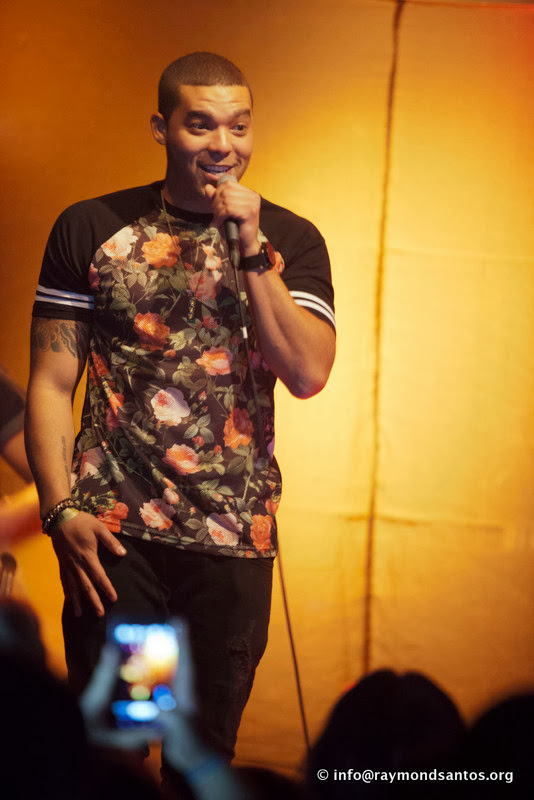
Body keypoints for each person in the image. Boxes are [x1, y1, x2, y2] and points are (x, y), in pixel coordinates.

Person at [25, 51, 336, 760]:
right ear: (161, 129)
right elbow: (49, 383)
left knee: (201, 759)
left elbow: (308, 372)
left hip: (231, 549)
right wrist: (59, 508)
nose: (223, 145)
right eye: (201, 125)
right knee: (123, 750)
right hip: (121, 543)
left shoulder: (290, 240)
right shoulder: (93, 227)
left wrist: (251, 250)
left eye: (238, 127)